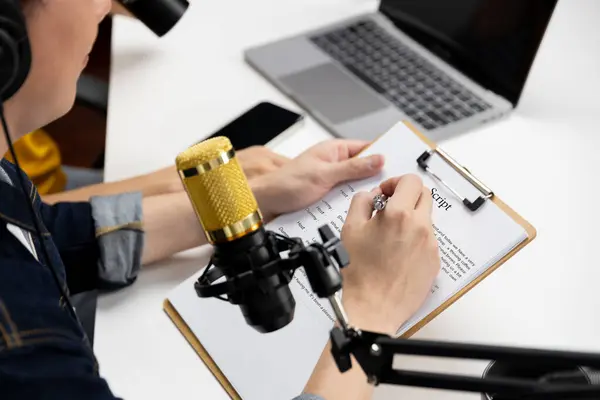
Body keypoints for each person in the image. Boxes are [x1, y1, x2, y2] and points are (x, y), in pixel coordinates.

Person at [0, 2, 440, 400]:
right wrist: (370, 308)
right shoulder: (19, 348)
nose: (103, 6)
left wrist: (248, 201)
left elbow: (48, 232)